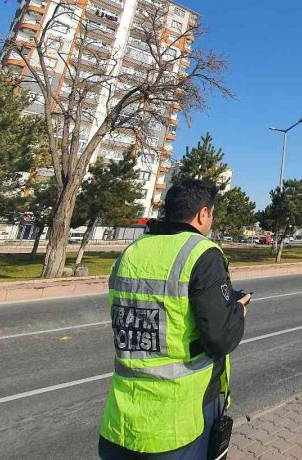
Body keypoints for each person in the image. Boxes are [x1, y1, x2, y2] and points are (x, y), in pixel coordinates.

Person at [98, 178, 250, 459]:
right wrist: (239, 310)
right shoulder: (202, 253)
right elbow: (220, 338)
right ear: (203, 213)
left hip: (121, 421)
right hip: (178, 423)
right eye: (211, 215)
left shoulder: (132, 251)